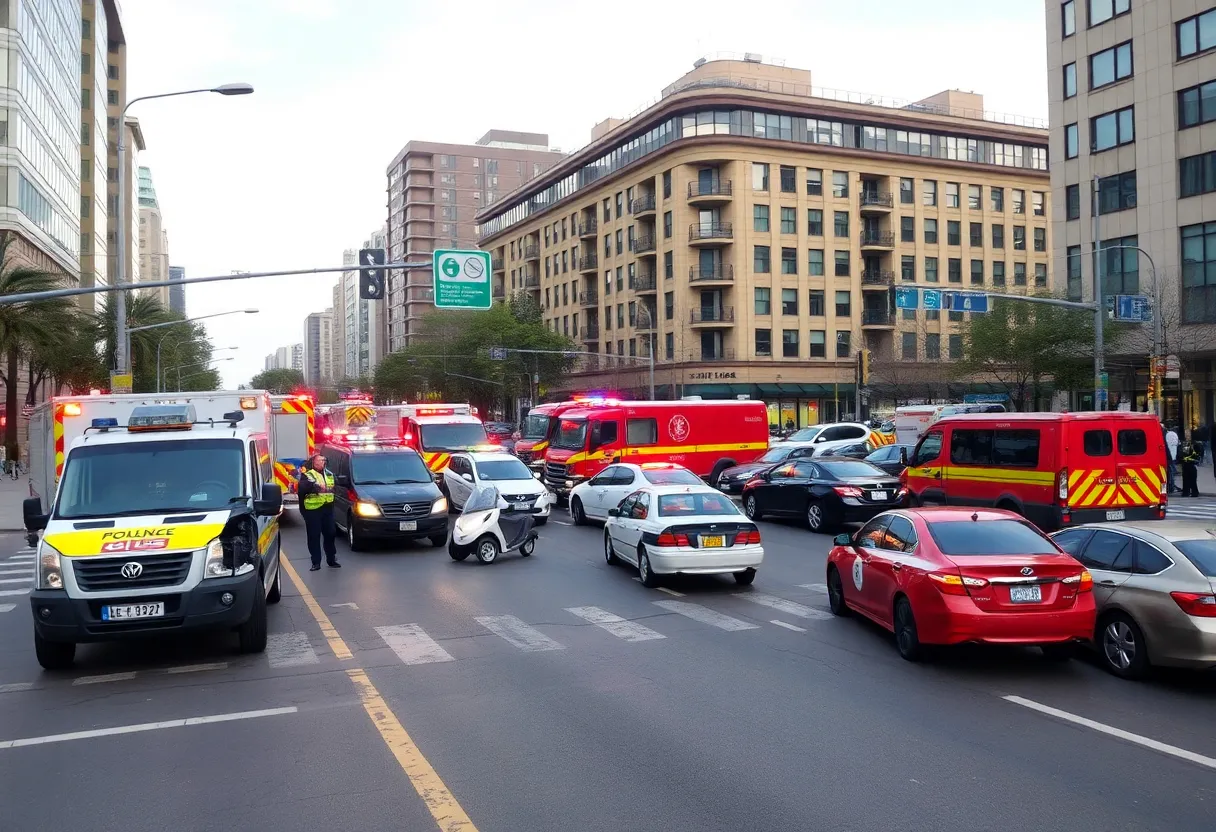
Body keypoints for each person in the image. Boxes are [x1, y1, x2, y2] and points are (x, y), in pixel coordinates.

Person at [297, 453, 340, 571]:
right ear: (314, 462)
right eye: (320, 460)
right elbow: (302, 489)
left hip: (327, 508)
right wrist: (313, 486)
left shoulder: (329, 474)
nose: (323, 462)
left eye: (324, 460)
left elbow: (334, 486)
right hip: (313, 510)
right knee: (314, 536)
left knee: (330, 533)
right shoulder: (308, 474)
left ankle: (331, 559)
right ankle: (316, 562)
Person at [1165, 423, 1180, 494]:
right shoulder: (1175, 435)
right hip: (1173, 455)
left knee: (1170, 472)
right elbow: (1177, 444)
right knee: (1172, 472)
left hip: (1169, 456)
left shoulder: (1167, 435)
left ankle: (1171, 486)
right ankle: (1172, 486)